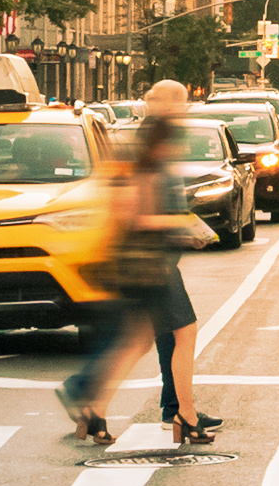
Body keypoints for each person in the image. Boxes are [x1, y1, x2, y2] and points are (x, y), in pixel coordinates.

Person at [61, 96, 212, 446]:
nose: (179, 147)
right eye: (175, 141)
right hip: (152, 266)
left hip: (144, 266)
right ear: (163, 142)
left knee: (135, 341)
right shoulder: (146, 171)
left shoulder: (143, 168)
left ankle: (95, 409)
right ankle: (184, 415)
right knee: (184, 333)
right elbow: (136, 218)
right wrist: (181, 224)